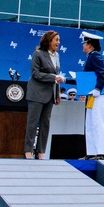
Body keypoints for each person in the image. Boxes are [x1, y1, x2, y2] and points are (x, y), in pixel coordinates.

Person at [25, 30, 64, 160]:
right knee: (32, 122)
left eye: (58, 40)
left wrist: (57, 93)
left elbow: (56, 76)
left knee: (45, 124)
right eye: (56, 40)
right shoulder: (38, 54)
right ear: (49, 41)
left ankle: (41, 151)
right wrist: (53, 77)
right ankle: (28, 150)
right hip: (36, 93)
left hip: (50, 94)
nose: (58, 42)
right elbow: (35, 74)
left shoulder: (57, 56)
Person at [81, 31, 104, 160]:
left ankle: (102, 152)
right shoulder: (90, 56)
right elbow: (85, 79)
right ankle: (92, 152)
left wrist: (98, 88)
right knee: (90, 123)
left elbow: (102, 73)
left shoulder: (95, 56)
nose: (83, 45)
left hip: (99, 94)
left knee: (98, 122)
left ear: (90, 45)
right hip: (92, 95)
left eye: (84, 43)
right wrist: (65, 80)